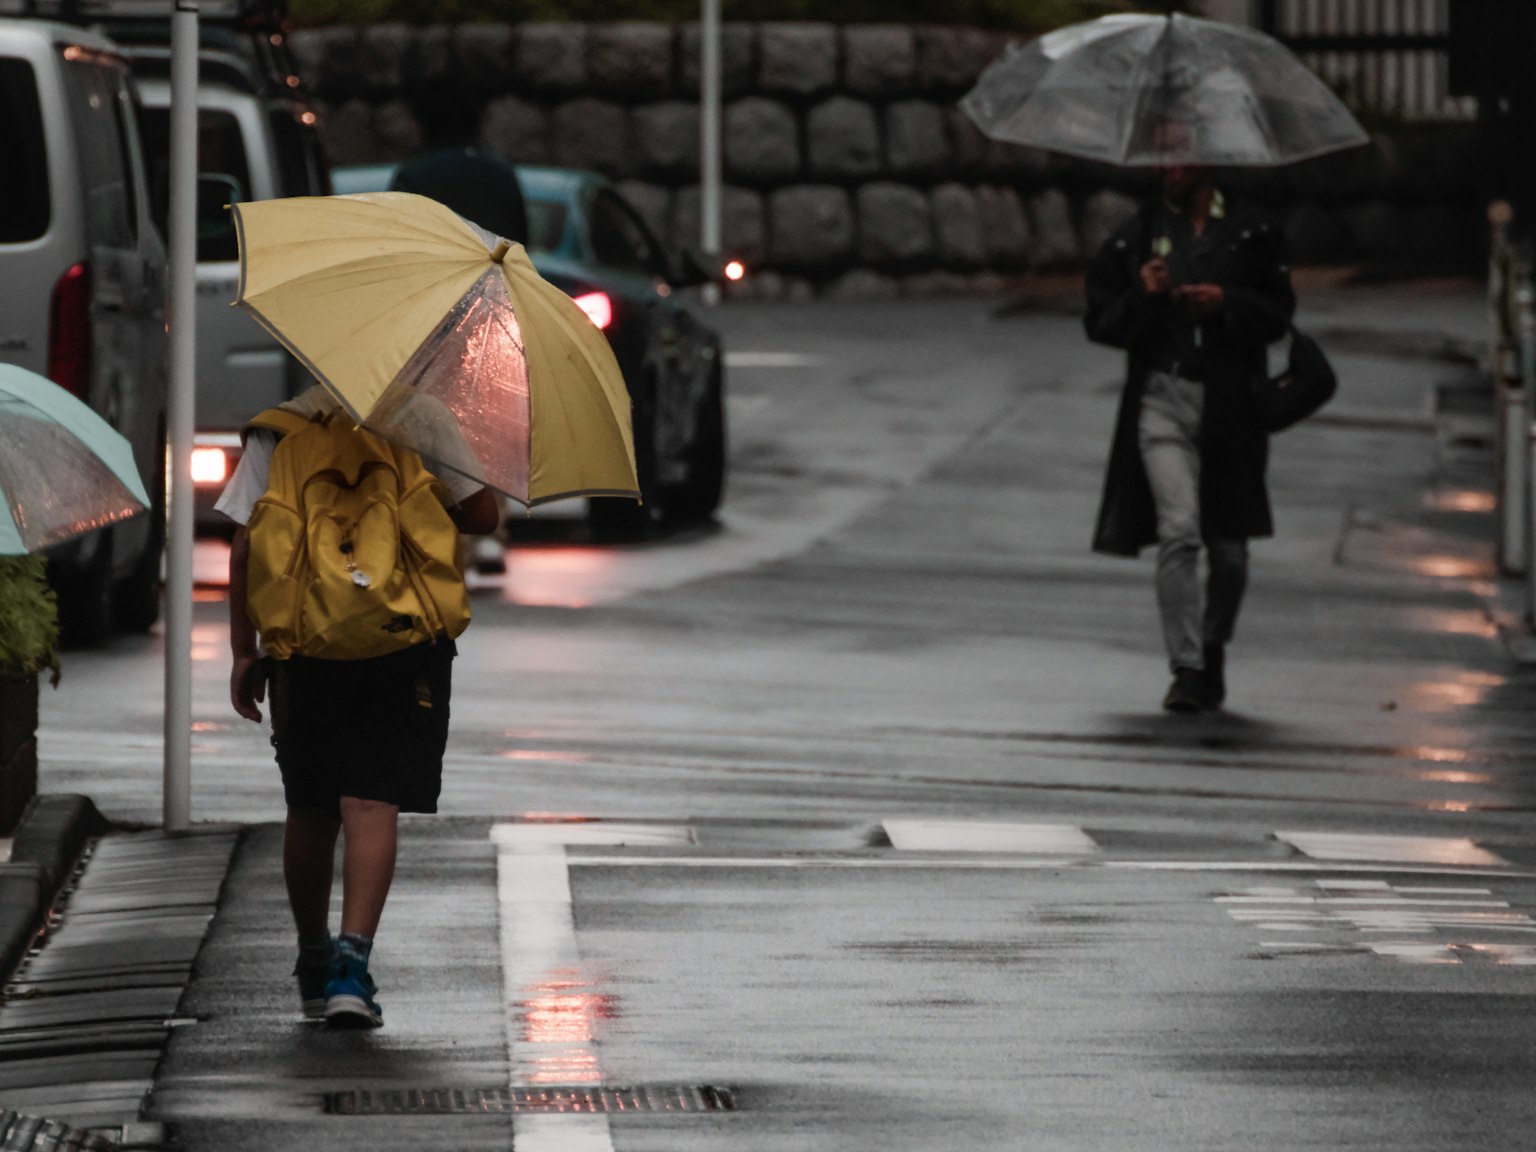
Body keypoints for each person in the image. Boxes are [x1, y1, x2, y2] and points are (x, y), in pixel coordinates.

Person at [217, 385, 498, 1027]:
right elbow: (482, 517)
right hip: (400, 644)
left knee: (311, 807)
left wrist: (243, 650)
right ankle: (352, 965)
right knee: (372, 801)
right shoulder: (425, 417)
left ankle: (313, 956)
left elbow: (245, 541)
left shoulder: (279, 427)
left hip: (303, 645)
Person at [1084, 159, 1295, 713]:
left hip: (1231, 406)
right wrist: (1144, 293)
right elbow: (1100, 318)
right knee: (1179, 530)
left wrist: (1227, 303)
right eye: (1161, 155)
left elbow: (1279, 315)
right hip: (1163, 398)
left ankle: (1214, 641)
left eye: (1179, 154)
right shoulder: (1140, 231)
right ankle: (1188, 666)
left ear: (1207, 159)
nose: (1167, 168)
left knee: (1229, 552)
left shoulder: (1254, 231)